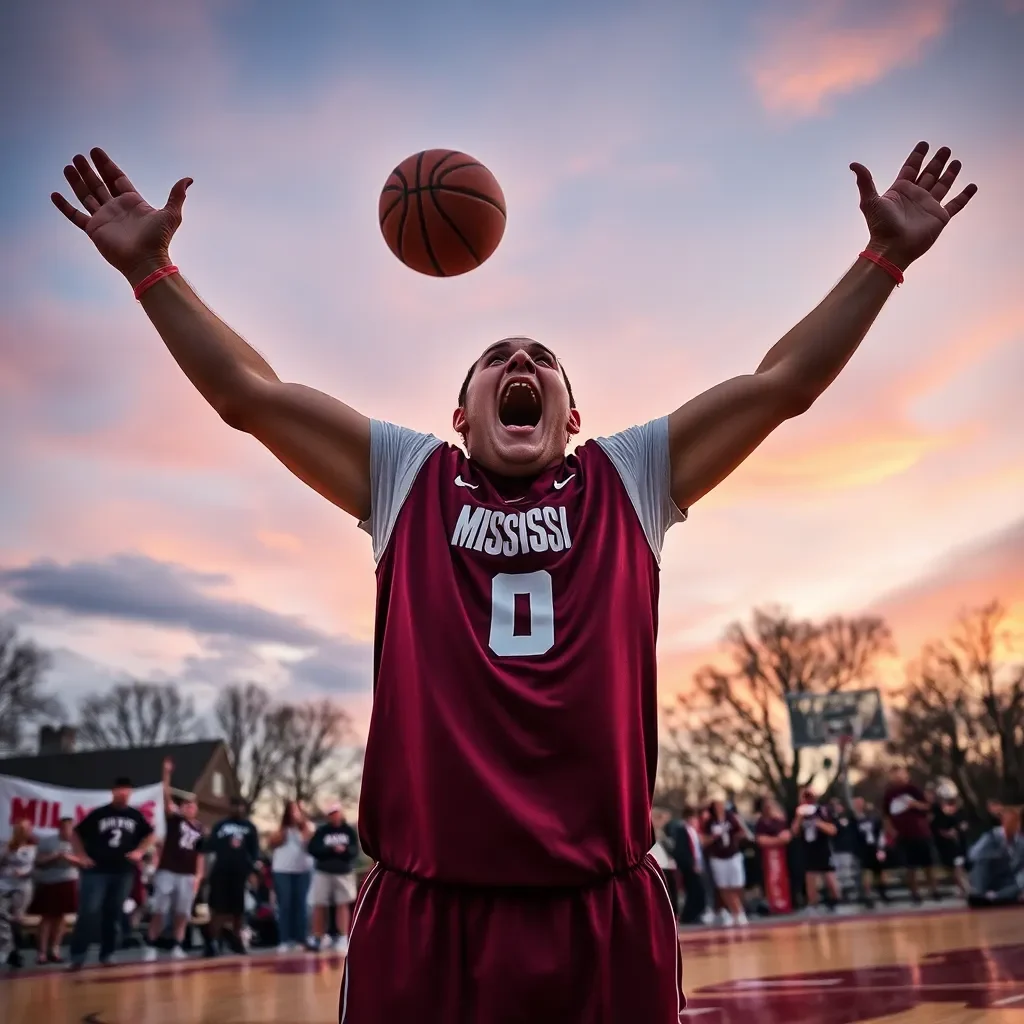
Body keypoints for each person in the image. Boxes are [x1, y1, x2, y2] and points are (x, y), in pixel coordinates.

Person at [50, 140, 976, 1022]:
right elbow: (249, 394)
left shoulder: (630, 477)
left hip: (598, 906)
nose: (520, 362)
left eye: (540, 359)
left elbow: (781, 383)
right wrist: (150, 274)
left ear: (576, 416)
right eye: (497, 357)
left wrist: (882, 261)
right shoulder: (408, 476)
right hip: (428, 909)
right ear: (460, 414)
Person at [68, 776, 155, 969]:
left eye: (127, 790)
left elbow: (150, 834)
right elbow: (76, 833)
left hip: (123, 871)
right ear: (113, 791)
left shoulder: (135, 815)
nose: (123, 793)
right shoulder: (99, 814)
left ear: (130, 793)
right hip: (96, 870)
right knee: (89, 911)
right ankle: (78, 954)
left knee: (114, 912)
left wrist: (140, 851)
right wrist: (81, 855)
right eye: (120, 789)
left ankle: (108, 953)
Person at [145, 758, 206, 960]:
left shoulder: (200, 828)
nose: (189, 807)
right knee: (160, 909)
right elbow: (165, 795)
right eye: (186, 804)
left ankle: (177, 944)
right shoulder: (174, 820)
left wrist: (199, 876)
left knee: (182, 912)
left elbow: (200, 854)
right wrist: (166, 774)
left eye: (192, 805)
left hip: (187, 874)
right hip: (168, 870)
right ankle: (151, 944)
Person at [204, 797, 260, 957]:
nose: (237, 809)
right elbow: (210, 846)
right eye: (234, 805)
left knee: (238, 910)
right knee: (218, 909)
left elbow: (254, 851)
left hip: (240, 872)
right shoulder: (220, 825)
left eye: (240, 806)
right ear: (229, 807)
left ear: (244, 808)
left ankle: (237, 941)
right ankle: (213, 942)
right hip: (221, 872)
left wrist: (252, 871)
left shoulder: (249, 827)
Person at [308, 804, 360, 954]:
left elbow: (354, 850)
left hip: (343, 872)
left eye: (336, 813)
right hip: (323, 871)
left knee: (342, 904)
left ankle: (342, 937)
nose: (334, 816)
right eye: (331, 813)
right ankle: (318, 936)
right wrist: (331, 849)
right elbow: (313, 849)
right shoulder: (322, 831)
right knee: (319, 903)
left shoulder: (348, 831)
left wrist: (344, 851)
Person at [30, 817, 82, 964]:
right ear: (59, 828)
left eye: (70, 829)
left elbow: (83, 862)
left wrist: (69, 858)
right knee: (46, 917)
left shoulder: (78, 842)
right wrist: (54, 856)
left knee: (61, 917)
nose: (67, 832)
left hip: (68, 880)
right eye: (64, 828)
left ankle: (55, 949)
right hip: (49, 881)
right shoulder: (47, 841)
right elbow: (38, 861)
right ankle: (41, 952)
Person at [882, 766, 937, 903]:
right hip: (903, 835)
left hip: (920, 832)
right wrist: (891, 831)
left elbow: (927, 807)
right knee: (910, 866)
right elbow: (886, 816)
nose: (898, 777)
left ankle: (934, 890)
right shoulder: (889, 794)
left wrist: (914, 805)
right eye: (895, 774)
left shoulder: (914, 790)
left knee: (928, 864)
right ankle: (915, 893)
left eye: (900, 774)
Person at [269, 800, 316, 953]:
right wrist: (283, 831)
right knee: (285, 905)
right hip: (283, 869)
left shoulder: (308, 827)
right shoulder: (282, 829)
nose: (295, 813)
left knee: (301, 905)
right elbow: (272, 842)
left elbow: (309, 842)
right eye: (293, 810)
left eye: (298, 810)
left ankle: (300, 939)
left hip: (302, 870)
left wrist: (302, 825)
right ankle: (284, 939)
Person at [701, 795, 750, 926]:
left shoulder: (731, 818)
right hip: (718, 857)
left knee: (737, 884)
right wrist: (714, 836)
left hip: (733, 855)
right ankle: (737, 912)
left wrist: (735, 837)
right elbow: (704, 840)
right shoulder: (709, 822)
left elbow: (743, 833)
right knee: (724, 886)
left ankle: (737, 909)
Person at [792, 788, 839, 913]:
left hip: (822, 848)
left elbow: (833, 829)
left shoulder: (822, 810)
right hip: (808, 849)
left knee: (829, 877)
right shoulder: (800, 813)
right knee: (810, 878)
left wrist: (818, 823)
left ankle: (835, 901)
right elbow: (794, 831)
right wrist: (799, 818)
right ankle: (813, 904)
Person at [966, 806, 1024, 908]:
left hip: (1006, 881)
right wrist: (994, 854)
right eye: (1011, 821)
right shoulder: (991, 837)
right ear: (1004, 822)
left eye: (1016, 822)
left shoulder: (1020, 842)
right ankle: (980, 894)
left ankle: (994, 897)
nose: (1015, 825)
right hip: (989, 877)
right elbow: (973, 855)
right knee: (981, 863)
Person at [0, 820, 37, 968]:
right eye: (20, 828)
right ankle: (6, 948)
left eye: (26, 829)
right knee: (2, 916)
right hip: (4, 885)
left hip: (22, 886)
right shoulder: (7, 846)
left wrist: (22, 872)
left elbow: (31, 866)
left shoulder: (32, 847)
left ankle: (16, 952)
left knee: (17, 919)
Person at [930, 784, 969, 899]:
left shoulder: (960, 811)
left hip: (958, 844)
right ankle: (962, 888)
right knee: (954, 867)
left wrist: (958, 830)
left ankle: (964, 888)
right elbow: (937, 828)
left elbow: (964, 824)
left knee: (959, 866)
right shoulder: (937, 811)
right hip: (946, 845)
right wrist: (947, 833)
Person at [754, 798, 792, 914]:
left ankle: (785, 903)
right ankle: (773, 904)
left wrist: (773, 841)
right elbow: (761, 840)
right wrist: (776, 840)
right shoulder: (760, 823)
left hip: (782, 856)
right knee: (770, 880)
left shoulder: (779, 821)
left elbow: (786, 837)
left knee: (782, 878)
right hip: (767, 857)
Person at [851, 797, 888, 908]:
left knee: (879, 870)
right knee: (865, 872)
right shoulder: (853, 819)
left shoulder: (873, 817)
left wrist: (881, 848)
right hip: (862, 849)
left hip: (874, 847)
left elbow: (880, 832)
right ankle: (868, 895)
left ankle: (882, 891)